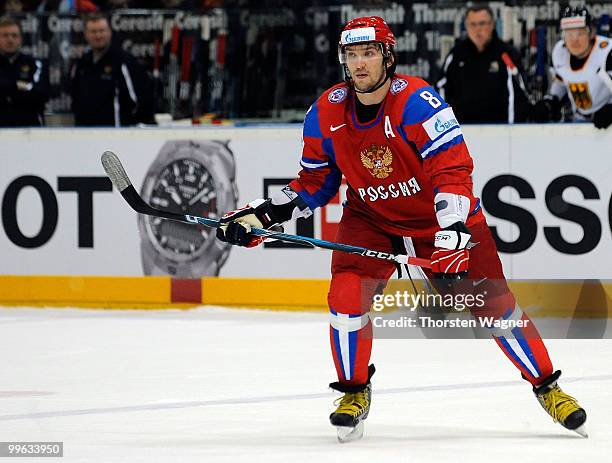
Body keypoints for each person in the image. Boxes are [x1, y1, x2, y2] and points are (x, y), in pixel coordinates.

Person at [216, 16, 587, 442]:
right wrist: (262, 215)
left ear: (388, 57)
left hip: (440, 219)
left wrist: (451, 233)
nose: (359, 64)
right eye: (351, 55)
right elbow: (316, 183)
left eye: (369, 53)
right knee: (344, 297)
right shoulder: (324, 112)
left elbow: (453, 172)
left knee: (495, 307)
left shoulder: (417, 101)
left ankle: (548, 387)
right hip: (371, 219)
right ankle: (354, 392)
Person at [436, 4, 530, 123]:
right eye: (473, 24)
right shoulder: (456, 55)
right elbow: (441, 88)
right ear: (466, 26)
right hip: (462, 131)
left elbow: (520, 94)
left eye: (482, 23)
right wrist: (447, 123)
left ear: (492, 25)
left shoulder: (506, 54)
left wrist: (512, 130)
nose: (477, 29)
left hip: (500, 131)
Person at [532, 6, 612, 129]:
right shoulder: (559, 53)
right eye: (569, 33)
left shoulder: (607, 53)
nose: (574, 40)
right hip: (579, 122)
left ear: (592, 33)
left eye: (580, 33)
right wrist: (550, 102)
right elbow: (561, 82)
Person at [70, 12, 155, 126]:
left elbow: (140, 102)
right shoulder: (81, 64)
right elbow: (75, 99)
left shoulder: (123, 62)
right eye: (93, 32)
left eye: (102, 30)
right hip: (85, 134)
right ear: (86, 34)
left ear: (109, 32)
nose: (98, 36)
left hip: (115, 135)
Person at [0, 15, 48, 126]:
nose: (10, 39)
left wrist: (6, 91)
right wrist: (18, 85)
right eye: (5, 35)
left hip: (28, 130)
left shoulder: (34, 64)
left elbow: (41, 93)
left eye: (14, 35)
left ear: (21, 39)